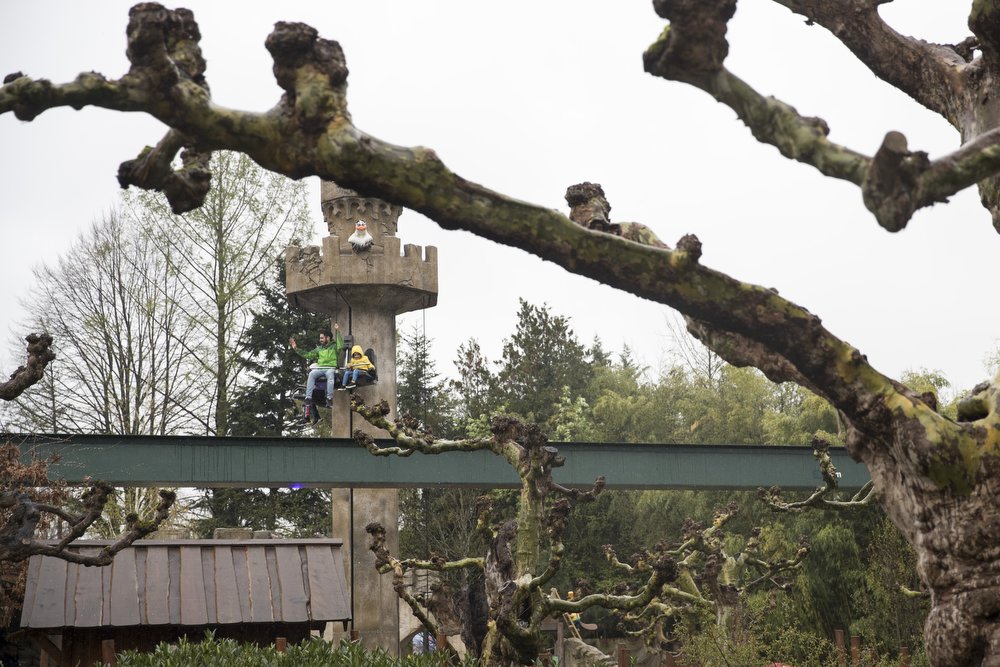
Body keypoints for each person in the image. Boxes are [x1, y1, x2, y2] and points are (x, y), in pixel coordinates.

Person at [290, 324, 345, 418]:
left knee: (330, 375)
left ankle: (329, 398)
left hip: (330, 368)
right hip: (320, 369)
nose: (320, 340)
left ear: (328, 338)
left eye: (322, 338)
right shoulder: (319, 349)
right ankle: (308, 397)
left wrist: (337, 332)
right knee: (311, 374)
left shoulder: (334, 346)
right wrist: (296, 349)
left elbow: (341, 345)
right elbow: (308, 355)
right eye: (320, 338)